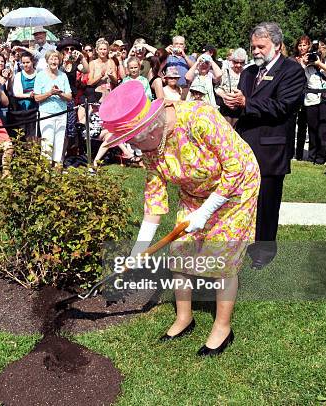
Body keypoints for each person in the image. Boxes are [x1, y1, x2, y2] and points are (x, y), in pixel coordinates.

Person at [100, 80, 260, 357]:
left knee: (222, 257)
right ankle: (184, 318)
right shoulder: (150, 148)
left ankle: (222, 327)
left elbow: (236, 167)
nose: (133, 146)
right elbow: (154, 198)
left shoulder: (199, 117)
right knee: (179, 254)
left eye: (134, 138)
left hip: (236, 189)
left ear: (151, 125)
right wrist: (139, 249)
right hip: (195, 193)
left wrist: (208, 211)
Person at [222, 22, 306, 269]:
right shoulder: (248, 72)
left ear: (277, 45)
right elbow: (239, 105)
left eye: (261, 46)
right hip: (244, 147)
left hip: (272, 148)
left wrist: (246, 103)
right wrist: (229, 102)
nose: (255, 51)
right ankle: (241, 244)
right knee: (242, 200)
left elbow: (284, 107)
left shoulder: (291, 71)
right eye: (253, 46)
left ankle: (264, 252)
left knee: (267, 203)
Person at [301, 41, 326, 164]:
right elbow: (300, 78)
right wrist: (303, 64)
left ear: (325, 49)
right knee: (312, 129)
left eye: (321, 48)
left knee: (323, 129)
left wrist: (319, 63)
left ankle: (320, 158)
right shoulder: (309, 63)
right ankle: (311, 157)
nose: (318, 51)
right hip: (311, 98)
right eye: (315, 49)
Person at [34, 50, 73, 164]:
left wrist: (59, 93)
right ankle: (46, 167)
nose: (54, 61)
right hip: (46, 112)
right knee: (47, 140)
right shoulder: (40, 75)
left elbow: (69, 96)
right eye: (51, 59)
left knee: (60, 140)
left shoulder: (63, 75)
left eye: (56, 59)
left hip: (61, 112)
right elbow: (37, 98)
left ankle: (57, 166)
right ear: (47, 61)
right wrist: (50, 93)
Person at [215, 48, 247, 126]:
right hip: (225, 108)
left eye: (241, 62)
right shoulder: (225, 72)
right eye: (236, 62)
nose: (238, 65)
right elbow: (217, 88)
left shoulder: (247, 73)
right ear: (232, 61)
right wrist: (225, 96)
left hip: (240, 109)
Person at [12, 52, 39, 142]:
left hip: (36, 107)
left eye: (27, 62)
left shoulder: (39, 74)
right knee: (23, 134)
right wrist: (29, 95)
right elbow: (16, 93)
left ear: (32, 62)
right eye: (23, 63)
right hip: (23, 108)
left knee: (35, 134)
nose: (25, 65)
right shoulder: (19, 75)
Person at [292, 35, 312, 160]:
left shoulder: (313, 59)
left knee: (303, 126)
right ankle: (289, 152)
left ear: (308, 46)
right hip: (294, 95)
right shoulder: (292, 59)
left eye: (304, 45)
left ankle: (299, 154)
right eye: (300, 45)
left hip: (307, 95)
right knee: (291, 124)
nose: (302, 47)